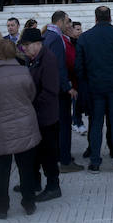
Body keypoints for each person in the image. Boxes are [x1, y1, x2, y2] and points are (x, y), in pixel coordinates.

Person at [0, 39, 41, 219]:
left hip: (0, 129)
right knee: (26, 168)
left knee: (2, 171)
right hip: (25, 125)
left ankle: (2, 207)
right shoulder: (24, 71)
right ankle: (29, 203)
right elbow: (31, 94)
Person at [75, 7, 113, 173]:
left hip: (94, 87)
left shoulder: (85, 37)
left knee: (96, 125)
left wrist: (84, 85)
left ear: (96, 18)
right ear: (110, 17)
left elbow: (79, 67)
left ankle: (95, 162)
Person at [19, 27, 62, 201]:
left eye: (27, 46)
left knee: (48, 152)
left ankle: (53, 186)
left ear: (37, 44)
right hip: (37, 115)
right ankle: (34, 182)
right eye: (23, 46)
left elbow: (50, 90)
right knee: (36, 152)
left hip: (46, 117)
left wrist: (31, 105)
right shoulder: (34, 59)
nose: (24, 49)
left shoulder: (48, 59)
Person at [43, 12, 80, 174]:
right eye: (67, 22)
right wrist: (67, 87)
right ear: (59, 22)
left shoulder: (47, 35)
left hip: (50, 88)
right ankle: (65, 160)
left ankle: (60, 155)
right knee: (64, 125)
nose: (69, 25)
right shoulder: (56, 38)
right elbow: (59, 66)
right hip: (59, 89)